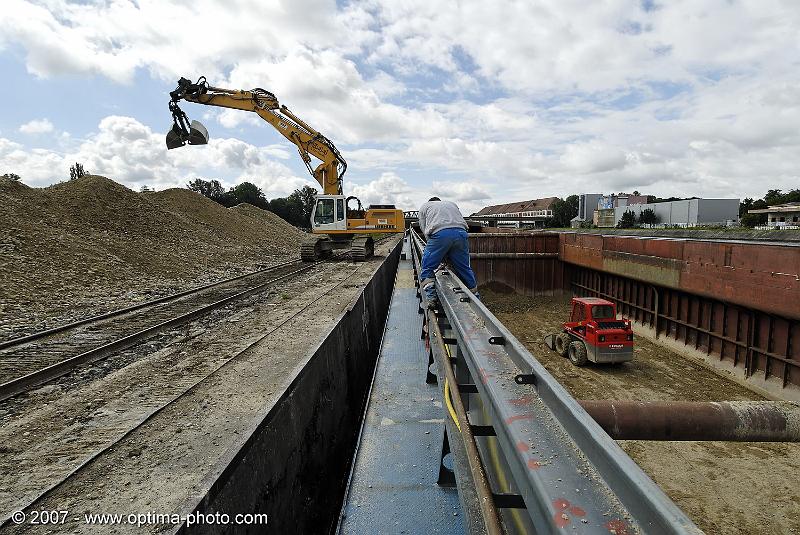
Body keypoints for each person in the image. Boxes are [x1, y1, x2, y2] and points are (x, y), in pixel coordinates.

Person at [418, 197, 478, 308]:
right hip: (461, 233)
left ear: (430, 202)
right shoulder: (451, 204)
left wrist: (433, 249)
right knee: (464, 267)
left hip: (440, 234)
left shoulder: (425, 206)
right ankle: (476, 298)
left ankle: (431, 298)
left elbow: (424, 228)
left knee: (427, 267)